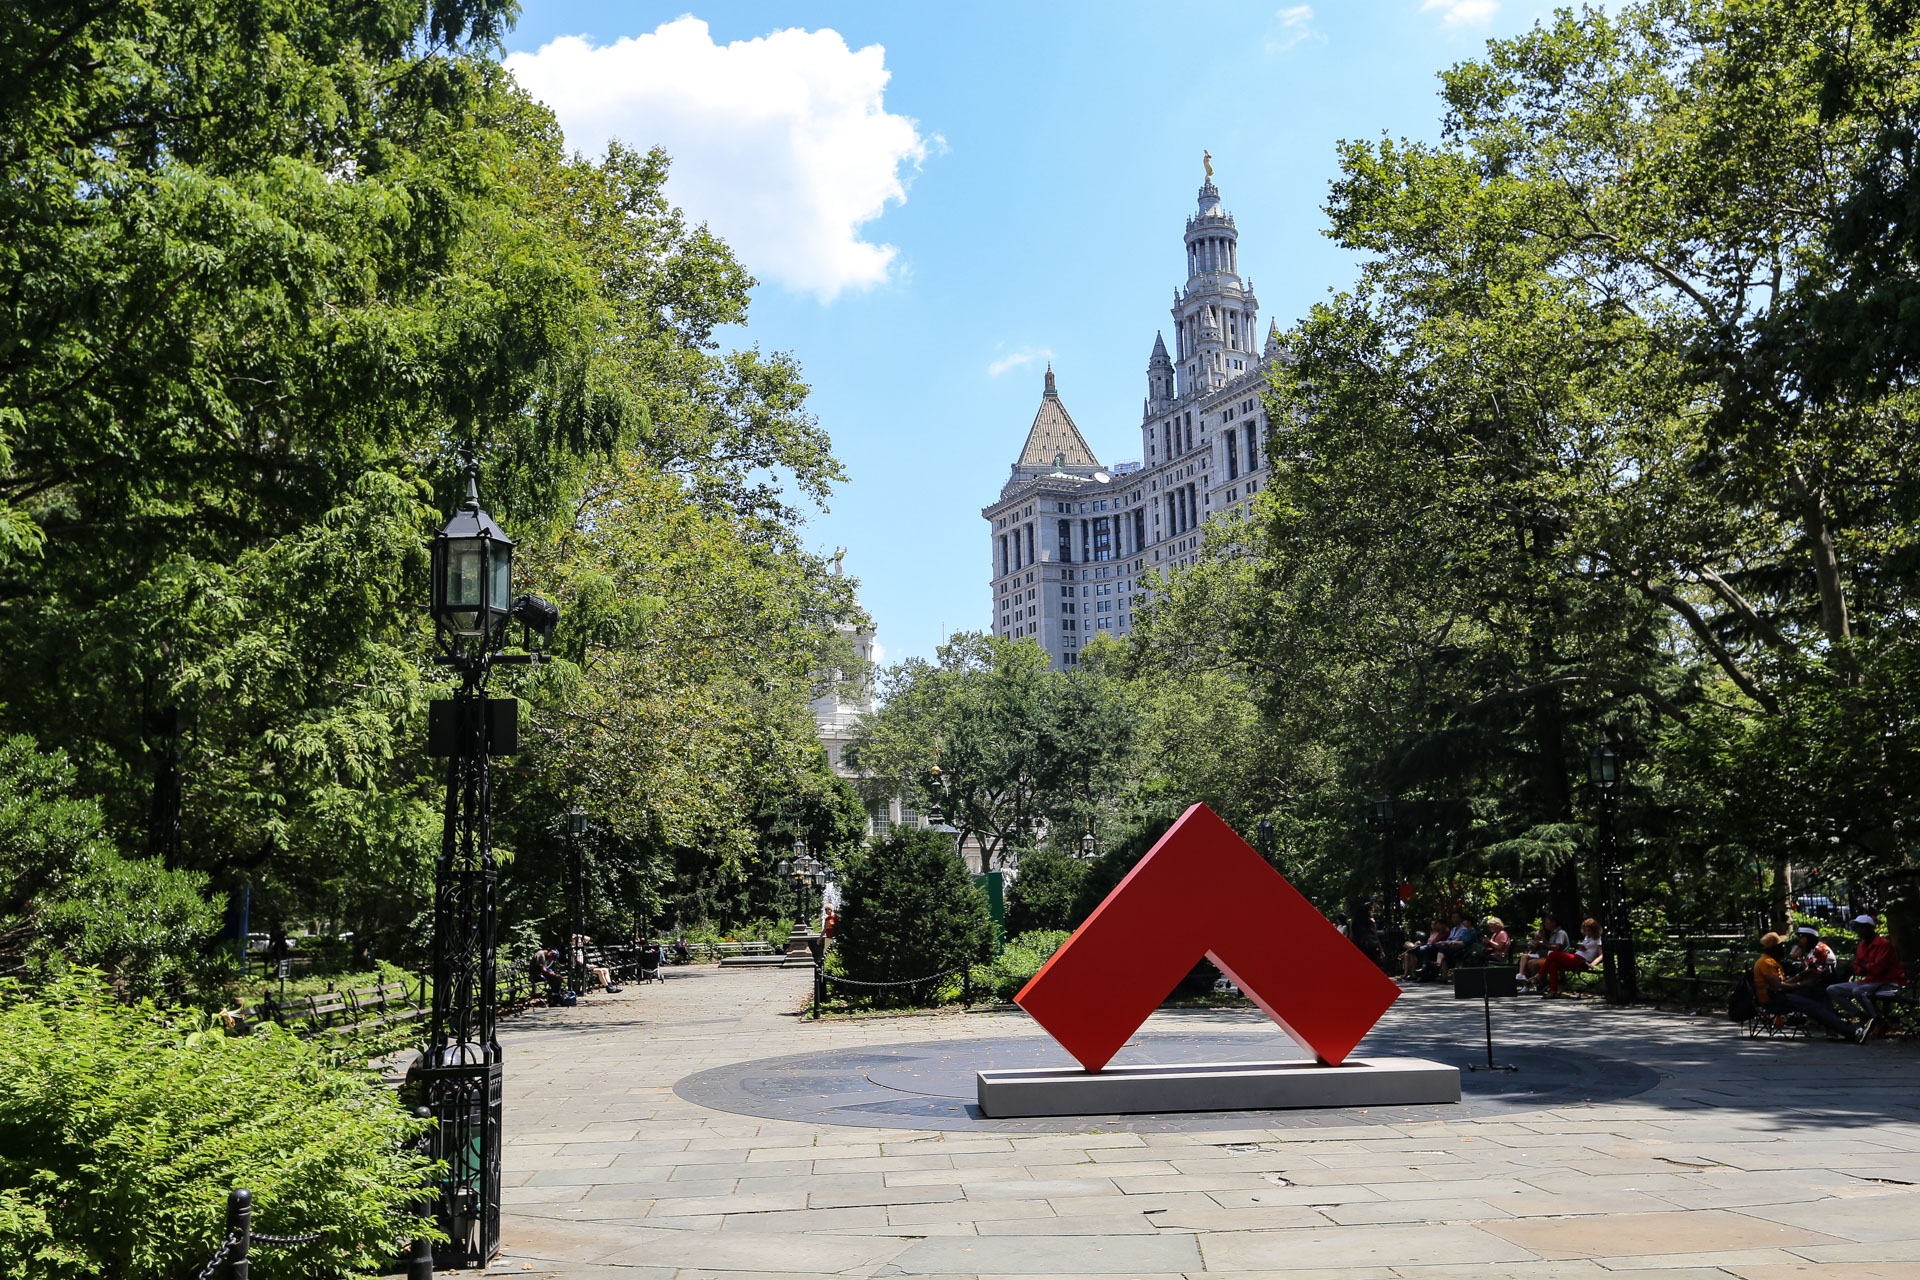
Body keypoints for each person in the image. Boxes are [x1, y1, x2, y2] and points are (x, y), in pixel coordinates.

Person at [1754, 930, 1864, 1041]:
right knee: (1812, 1006)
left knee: (1820, 992)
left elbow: (1782, 983)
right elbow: (1778, 986)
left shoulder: (1772, 961)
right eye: (1781, 945)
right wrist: (1802, 984)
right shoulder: (1766, 962)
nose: (1784, 948)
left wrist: (1800, 977)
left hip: (1780, 995)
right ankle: (1852, 1031)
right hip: (1773, 1000)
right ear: (1775, 948)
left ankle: (1836, 1028)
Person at [1829, 914, 1905, 1027]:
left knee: (1858, 991)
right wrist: (1865, 966)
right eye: (1856, 927)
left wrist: (1865, 966)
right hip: (1870, 981)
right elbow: (1858, 967)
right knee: (1832, 989)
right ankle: (1863, 1017)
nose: (1858, 930)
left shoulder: (1883, 944)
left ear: (1870, 928)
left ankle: (1877, 1022)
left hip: (1888, 982)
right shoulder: (1862, 945)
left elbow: (1878, 969)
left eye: (1861, 927)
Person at [1540, 918, 1604, 995]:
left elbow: (1601, 955)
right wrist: (1581, 948)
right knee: (1553, 965)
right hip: (1576, 957)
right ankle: (1553, 991)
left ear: (1594, 930)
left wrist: (1594, 963)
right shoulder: (1587, 937)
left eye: (1589, 931)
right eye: (1586, 930)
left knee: (1552, 954)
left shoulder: (1598, 939)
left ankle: (1539, 975)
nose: (1587, 933)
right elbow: (1586, 949)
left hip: (1583, 961)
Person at [1520, 915, 1571, 990]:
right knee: (1526, 959)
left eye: (1547, 922)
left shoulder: (1560, 933)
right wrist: (1542, 939)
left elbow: (1556, 947)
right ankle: (1529, 983)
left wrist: (1542, 944)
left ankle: (1541, 984)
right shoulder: (1552, 933)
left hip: (1558, 958)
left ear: (1553, 923)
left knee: (1533, 963)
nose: (1545, 924)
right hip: (1550, 957)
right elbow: (1548, 945)